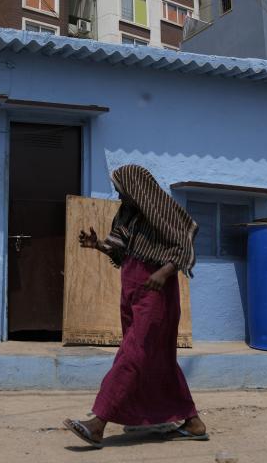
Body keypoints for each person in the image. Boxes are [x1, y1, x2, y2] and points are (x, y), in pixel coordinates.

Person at [63, 164, 208, 448]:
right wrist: (98, 246)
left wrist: (164, 273)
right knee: (158, 361)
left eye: (121, 188)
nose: (118, 194)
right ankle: (192, 422)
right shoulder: (130, 215)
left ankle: (98, 422)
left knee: (133, 354)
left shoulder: (162, 211)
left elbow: (184, 243)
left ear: (135, 188)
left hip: (156, 294)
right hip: (132, 291)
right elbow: (124, 252)